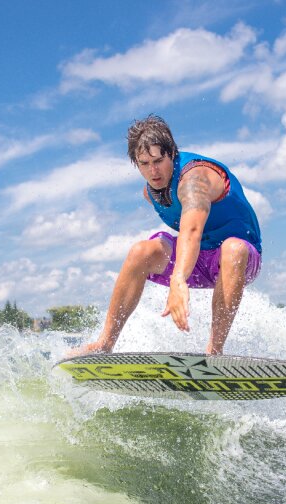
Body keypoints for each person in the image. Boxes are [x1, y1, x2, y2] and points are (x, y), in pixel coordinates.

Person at [75, 115, 262, 355]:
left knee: (233, 248)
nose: (153, 171)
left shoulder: (195, 180)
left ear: (172, 153)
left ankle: (214, 352)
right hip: (199, 261)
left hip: (239, 261)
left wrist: (178, 280)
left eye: (158, 160)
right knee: (140, 251)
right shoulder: (149, 192)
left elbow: (192, 231)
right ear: (136, 164)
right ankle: (105, 344)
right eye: (144, 163)